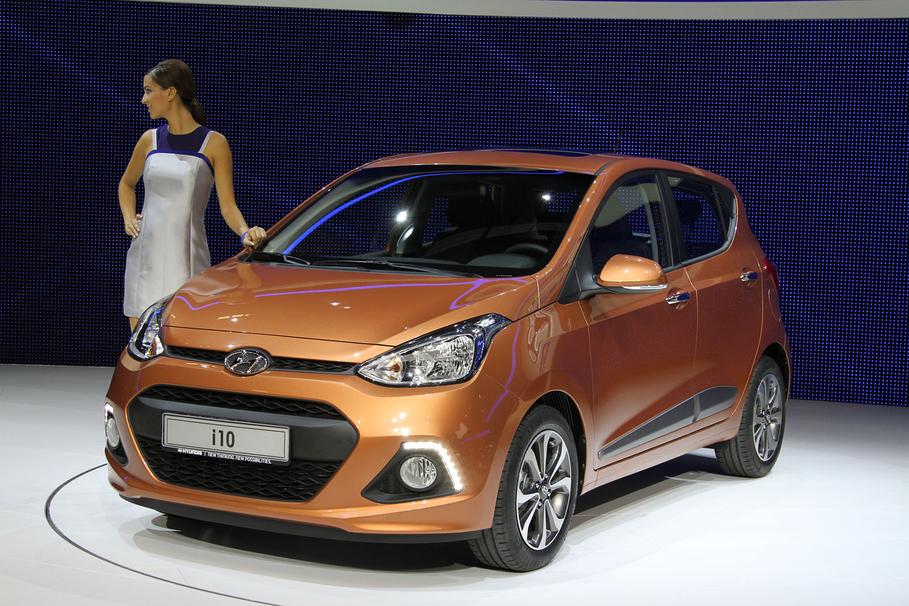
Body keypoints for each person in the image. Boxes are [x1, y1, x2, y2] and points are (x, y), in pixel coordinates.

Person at [119, 59, 266, 330]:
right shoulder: (149, 139)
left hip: (186, 256)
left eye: (149, 91)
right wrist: (129, 218)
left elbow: (228, 206)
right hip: (146, 253)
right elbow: (126, 184)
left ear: (171, 93)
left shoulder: (214, 143)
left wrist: (245, 232)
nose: (144, 99)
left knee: (180, 334)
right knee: (140, 340)